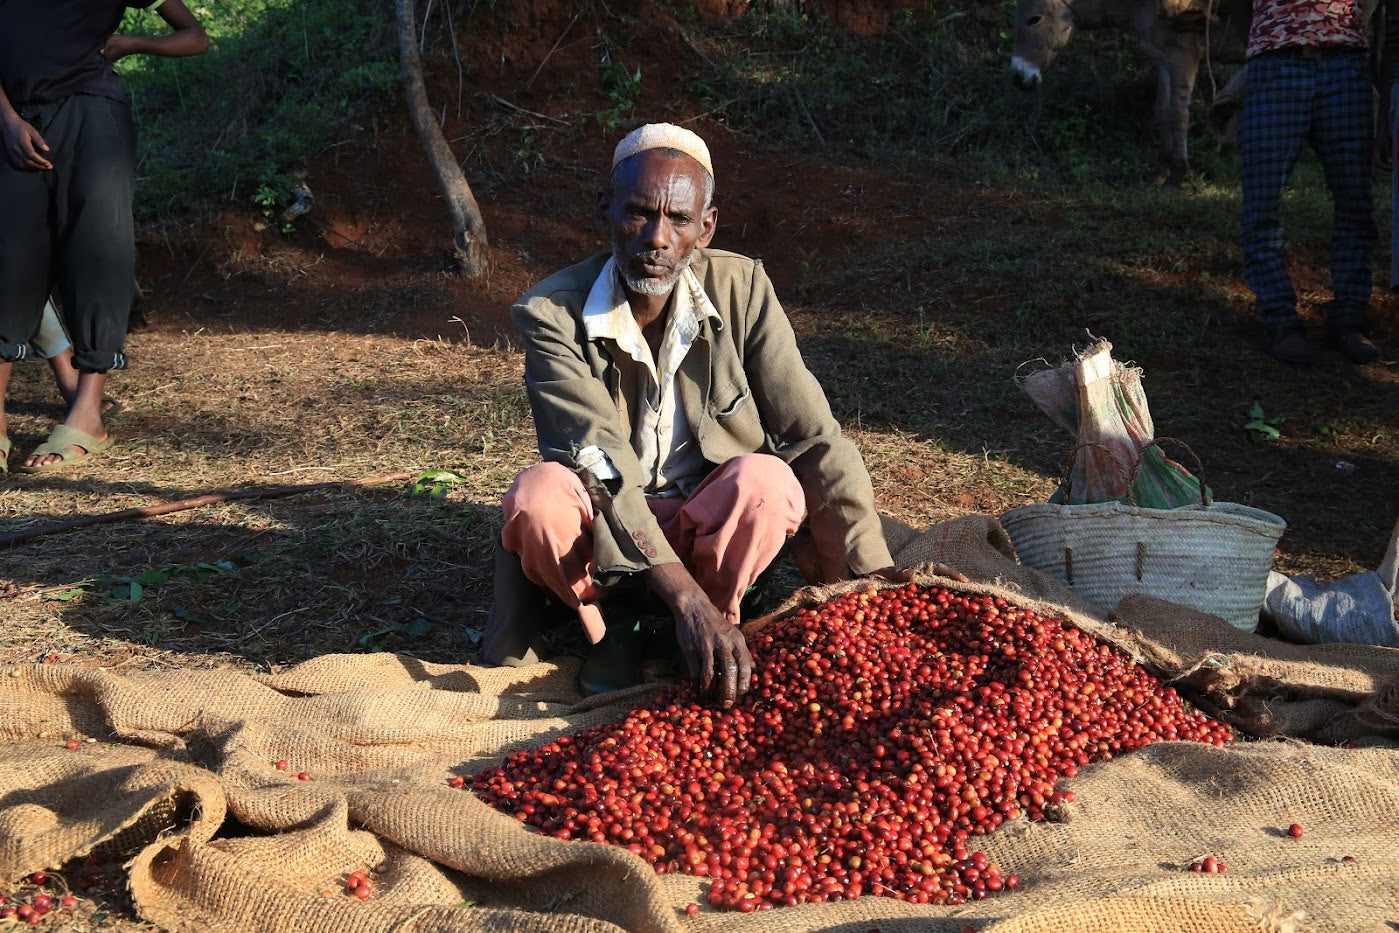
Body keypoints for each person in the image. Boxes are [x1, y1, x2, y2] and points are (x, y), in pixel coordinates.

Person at [485, 123, 948, 708]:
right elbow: (600, 465)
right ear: (605, 211)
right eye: (637, 213)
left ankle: (717, 618)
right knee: (540, 497)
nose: (657, 237)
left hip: (705, 526)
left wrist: (870, 578)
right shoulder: (552, 313)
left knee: (768, 481)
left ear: (705, 227)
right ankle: (614, 626)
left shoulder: (743, 287)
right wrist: (683, 600)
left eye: (679, 220)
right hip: (605, 529)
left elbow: (813, 437)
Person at [0, 0, 208, 475]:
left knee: (96, 250)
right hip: (13, 122)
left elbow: (194, 36)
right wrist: (8, 121)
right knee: (10, 258)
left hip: (92, 113)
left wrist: (132, 43)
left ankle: (88, 413)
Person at [1236, 0, 1382, 364]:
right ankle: (1281, 323)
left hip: (1346, 65)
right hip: (1275, 66)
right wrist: (1264, 42)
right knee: (1262, 204)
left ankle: (1349, 319)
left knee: (1355, 202)